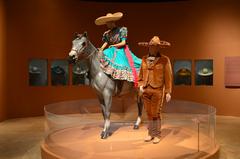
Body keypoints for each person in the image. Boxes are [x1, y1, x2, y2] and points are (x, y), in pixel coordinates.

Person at [138, 36, 173, 144]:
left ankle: (157, 134)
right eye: (151, 47)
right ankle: (150, 133)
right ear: (148, 47)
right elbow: (141, 74)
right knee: (148, 113)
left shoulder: (164, 60)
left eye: (155, 47)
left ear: (159, 48)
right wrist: (140, 85)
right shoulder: (144, 59)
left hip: (157, 89)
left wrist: (168, 91)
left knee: (156, 113)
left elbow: (168, 76)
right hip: (145, 89)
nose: (153, 49)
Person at [95, 12, 142, 87]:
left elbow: (123, 43)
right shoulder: (107, 33)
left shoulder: (121, 30)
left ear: (112, 22)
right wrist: (101, 48)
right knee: (103, 54)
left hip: (122, 50)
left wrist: (114, 45)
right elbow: (106, 42)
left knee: (125, 63)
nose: (107, 25)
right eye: (106, 23)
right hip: (112, 50)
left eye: (108, 23)